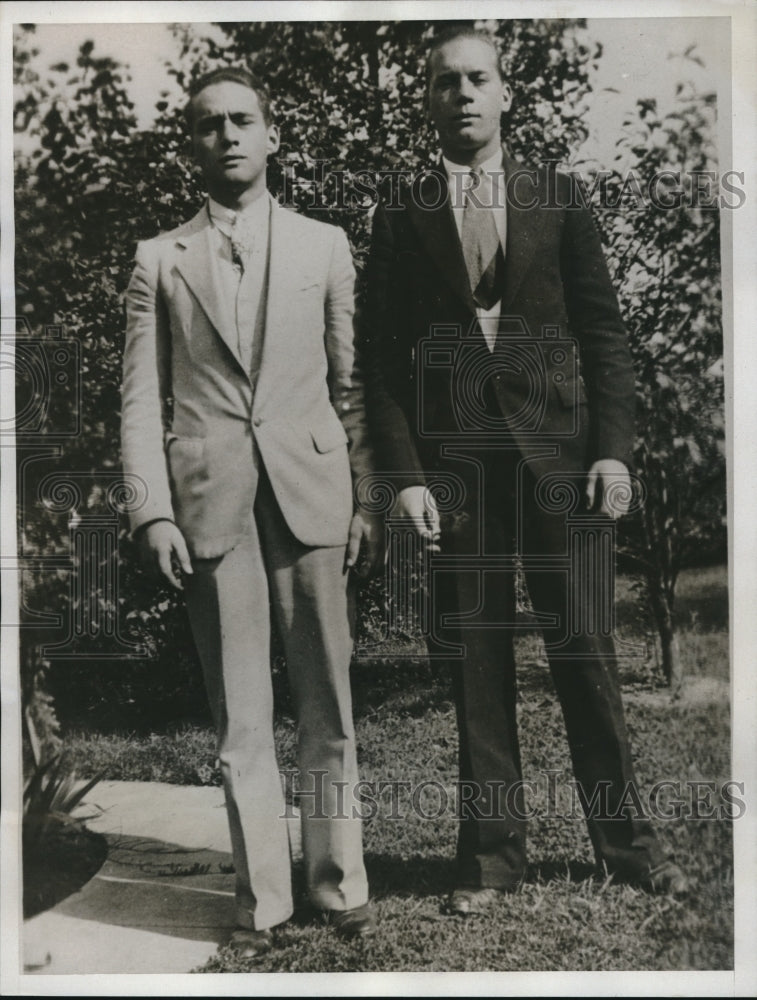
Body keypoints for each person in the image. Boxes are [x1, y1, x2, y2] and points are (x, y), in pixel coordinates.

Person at [363, 25, 688, 915]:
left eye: (477, 79)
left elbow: (604, 334)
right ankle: (490, 861)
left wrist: (613, 452)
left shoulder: (559, 197)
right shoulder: (401, 209)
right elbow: (381, 362)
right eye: (443, 82)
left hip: (563, 461)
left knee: (585, 652)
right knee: (475, 659)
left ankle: (629, 849)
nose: (461, 94)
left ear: (506, 93)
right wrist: (407, 480)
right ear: (425, 99)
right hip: (457, 470)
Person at [121, 66, 380, 957]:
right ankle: (264, 901)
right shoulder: (159, 259)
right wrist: (151, 512)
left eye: (242, 120)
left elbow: (352, 388)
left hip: (311, 496)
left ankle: (337, 883)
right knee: (239, 713)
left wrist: (363, 495)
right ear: (188, 146)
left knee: (327, 700)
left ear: (272, 135)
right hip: (210, 504)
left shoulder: (325, 246)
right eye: (207, 125)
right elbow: (139, 401)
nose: (227, 135)